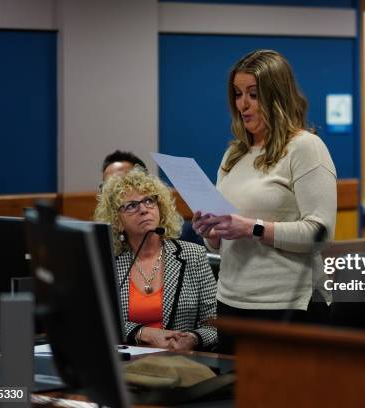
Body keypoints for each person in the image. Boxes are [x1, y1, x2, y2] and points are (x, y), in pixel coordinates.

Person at [192, 50, 337, 348]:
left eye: (253, 95)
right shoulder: (234, 154)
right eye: (237, 94)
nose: (242, 104)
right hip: (232, 301)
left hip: (287, 306)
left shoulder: (306, 148)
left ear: (277, 96)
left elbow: (320, 233)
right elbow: (220, 240)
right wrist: (211, 231)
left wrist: (254, 228)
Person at [95, 167, 217, 351]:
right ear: (117, 222)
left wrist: (192, 338)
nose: (143, 209)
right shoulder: (108, 262)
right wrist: (141, 333)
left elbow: (214, 323)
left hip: (182, 361)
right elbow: (97, 318)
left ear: (161, 208)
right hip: (127, 363)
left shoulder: (194, 255)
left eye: (149, 201)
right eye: (131, 206)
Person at [101, 150, 204, 245]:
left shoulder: (188, 238)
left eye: (148, 201)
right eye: (108, 185)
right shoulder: (103, 247)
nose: (115, 189)